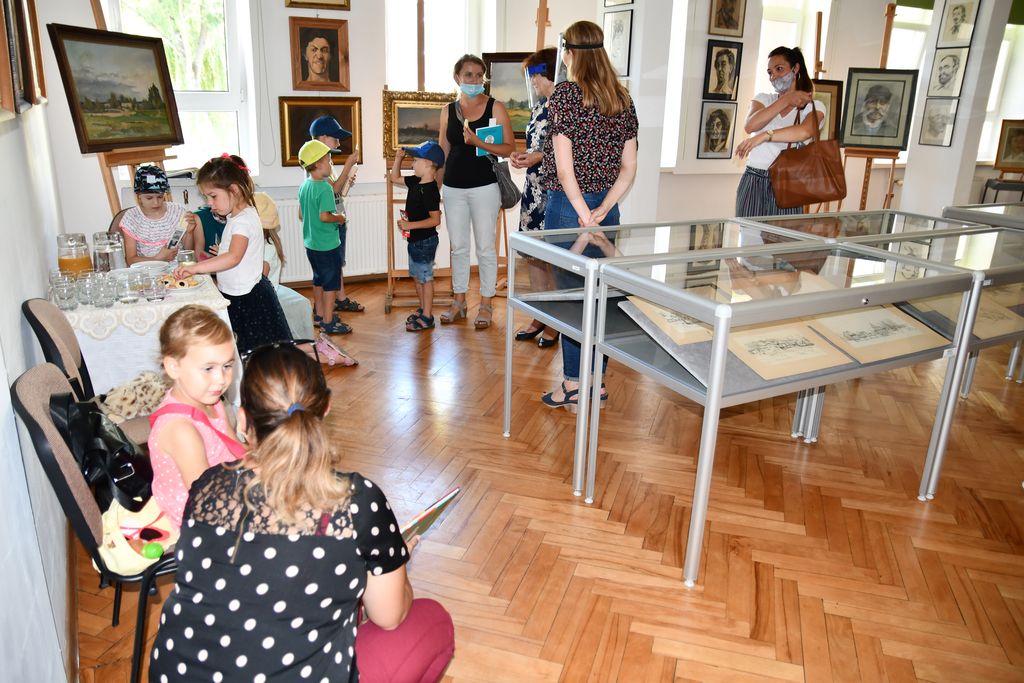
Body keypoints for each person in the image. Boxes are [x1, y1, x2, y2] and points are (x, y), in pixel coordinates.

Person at [148, 344, 455, 682]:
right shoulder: (357, 501)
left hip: (175, 674)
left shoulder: (206, 486)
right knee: (431, 620)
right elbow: (389, 616)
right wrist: (394, 565)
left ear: (243, 419)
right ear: (326, 410)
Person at [539, 20, 638, 411]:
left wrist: (584, 215)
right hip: (606, 210)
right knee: (603, 299)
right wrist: (602, 211)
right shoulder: (622, 97)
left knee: (573, 299)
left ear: (569, 53)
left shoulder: (565, 94)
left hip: (570, 209)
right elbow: (629, 168)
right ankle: (596, 383)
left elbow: (566, 172)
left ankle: (573, 384)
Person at [174, 155, 294, 354]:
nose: (210, 203)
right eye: (206, 197)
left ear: (234, 190)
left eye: (213, 196)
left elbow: (233, 257)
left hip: (250, 299)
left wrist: (195, 268)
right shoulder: (236, 216)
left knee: (260, 355)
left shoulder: (243, 221)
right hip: (238, 294)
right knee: (244, 353)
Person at [147, 305, 246, 530]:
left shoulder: (212, 401)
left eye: (227, 366)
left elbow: (235, 449)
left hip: (227, 489)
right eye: (208, 368)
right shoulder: (180, 429)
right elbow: (207, 501)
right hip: (201, 524)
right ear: (174, 367)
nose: (221, 379)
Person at [437, 54, 515, 329]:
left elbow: (509, 148)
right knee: (458, 247)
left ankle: (486, 304)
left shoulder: (496, 107)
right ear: (457, 77)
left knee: (485, 248)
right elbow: (443, 152)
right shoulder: (447, 110)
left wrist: (478, 142)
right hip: (453, 188)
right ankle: (459, 301)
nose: (474, 79)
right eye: (468, 74)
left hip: (485, 187)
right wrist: (435, 189)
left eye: (479, 75)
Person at [734, 46, 825, 217]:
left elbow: (804, 132)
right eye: (770, 72)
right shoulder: (763, 99)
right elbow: (750, 125)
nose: (773, 76)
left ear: (795, 68)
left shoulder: (813, 106)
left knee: (784, 234)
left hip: (789, 183)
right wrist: (786, 100)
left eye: (779, 69)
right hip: (753, 179)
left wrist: (765, 136)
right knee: (748, 232)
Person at [510, 47, 560, 349]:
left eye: (535, 76)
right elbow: (535, 145)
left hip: (555, 192)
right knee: (534, 257)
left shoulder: (567, 107)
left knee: (553, 258)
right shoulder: (539, 108)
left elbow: (565, 153)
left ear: (547, 73)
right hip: (533, 191)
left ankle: (555, 322)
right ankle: (539, 314)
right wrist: (522, 156)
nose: (533, 82)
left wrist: (538, 157)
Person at [296, 139, 353, 335]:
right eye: (329, 160)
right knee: (331, 284)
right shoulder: (325, 188)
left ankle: (319, 315)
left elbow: (301, 214)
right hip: (327, 245)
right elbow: (325, 216)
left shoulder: (304, 186)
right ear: (319, 163)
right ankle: (328, 322)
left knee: (318, 279)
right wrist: (340, 218)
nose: (331, 164)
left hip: (311, 244)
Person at [310, 115, 365, 314]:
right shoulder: (316, 163)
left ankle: (339, 299)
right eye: (336, 138)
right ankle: (325, 309)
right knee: (331, 265)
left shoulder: (327, 162)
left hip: (335, 218)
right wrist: (348, 165)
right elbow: (333, 190)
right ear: (323, 137)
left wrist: (347, 181)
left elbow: (336, 192)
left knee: (336, 262)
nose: (339, 143)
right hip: (331, 222)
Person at [389, 142, 443, 332]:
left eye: (415, 161)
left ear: (428, 163)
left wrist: (410, 225)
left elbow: (435, 220)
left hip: (425, 242)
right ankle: (422, 309)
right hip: (415, 241)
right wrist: (398, 159)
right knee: (418, 277)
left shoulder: (430, 190)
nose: (412, 164)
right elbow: (394, 177)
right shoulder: (415, 182)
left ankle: (427, 316)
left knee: (425, 278)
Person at [119, 165, 198, 264]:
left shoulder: (177, 211)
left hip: (178, 268)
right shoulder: (132, 218)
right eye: (149, 198)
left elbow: (188, 251)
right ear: (138, 196)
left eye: (160, 197)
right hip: (148, 270)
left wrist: (190, 233)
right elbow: (130, 260)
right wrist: (157, 258)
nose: (156, 203)